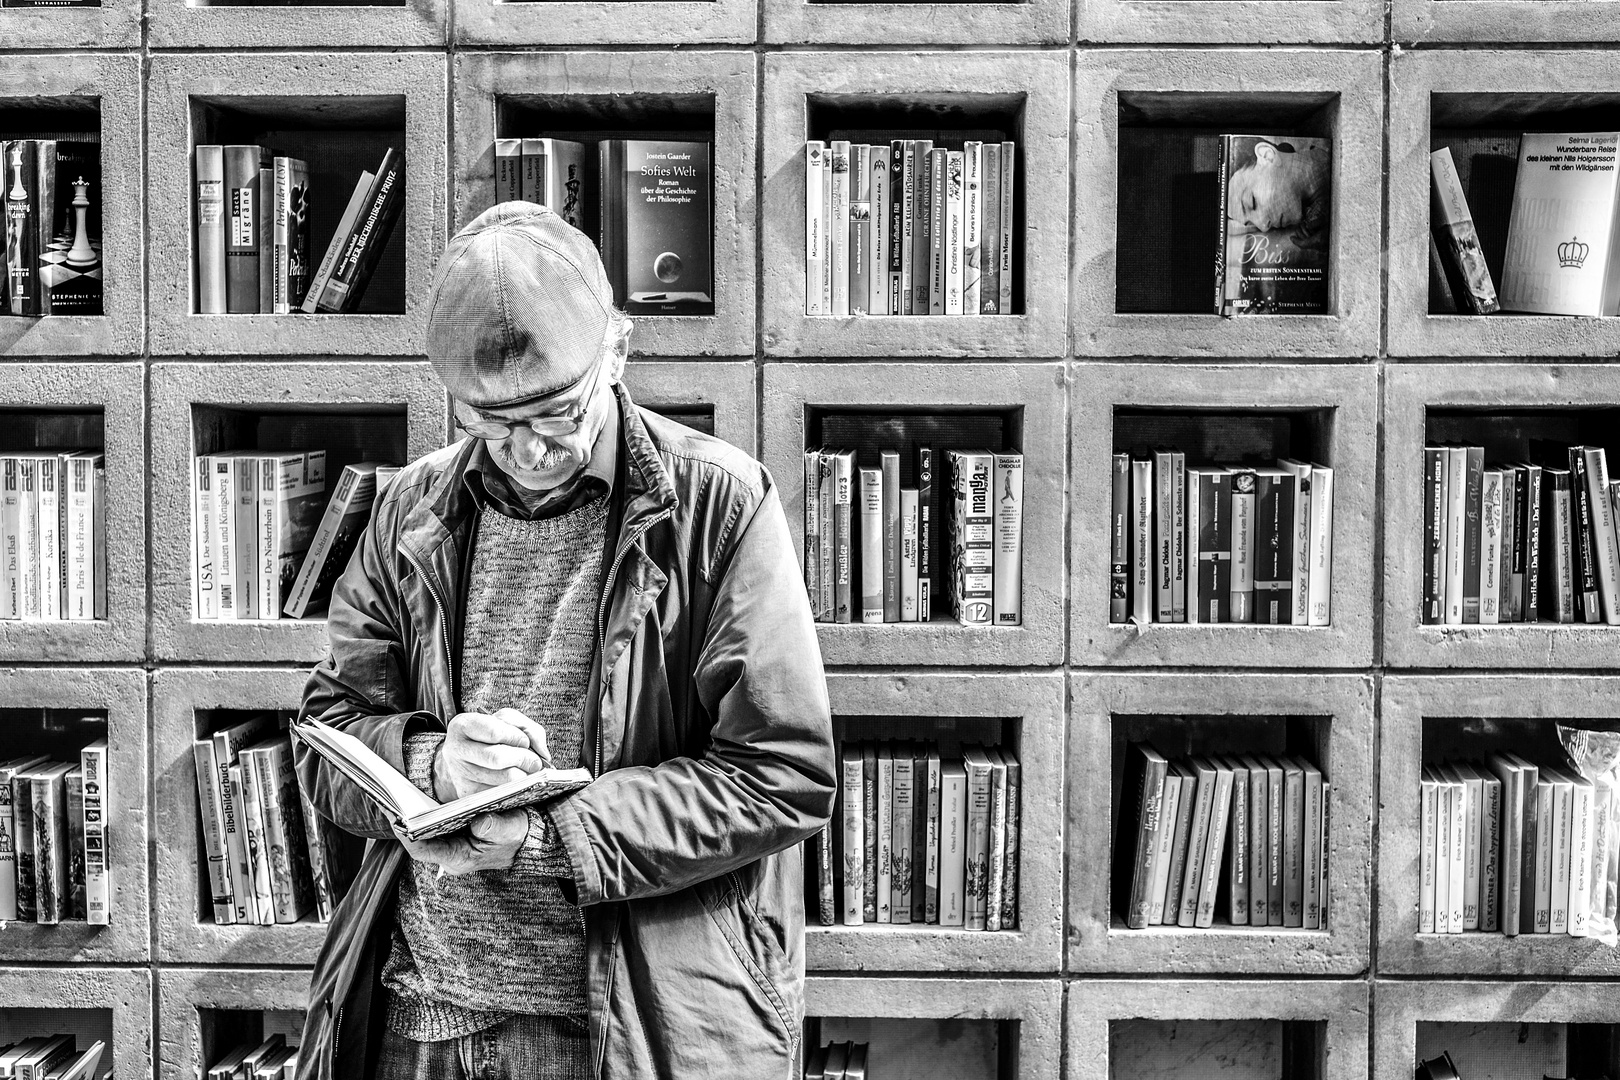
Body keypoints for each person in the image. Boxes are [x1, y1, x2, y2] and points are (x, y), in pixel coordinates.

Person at [292, 201, 836, 1080]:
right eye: (490, 421)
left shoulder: (720, 505)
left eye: (556, 411)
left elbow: (784, 774)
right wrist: (432, 766)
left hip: (633, 1030)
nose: (529, 449)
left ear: (617, 352)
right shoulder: (408, 511)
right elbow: (326, 737)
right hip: (420, 1015)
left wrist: (548, 840)